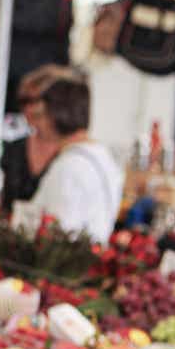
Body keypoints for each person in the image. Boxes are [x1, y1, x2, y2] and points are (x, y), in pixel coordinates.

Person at [29, 77, 124, 244]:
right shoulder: (103, 156)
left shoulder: (69, 167)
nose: (36, 124)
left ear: (56, 116)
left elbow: (57, 236)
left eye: (41, 115)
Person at [0, 64, 75, 212]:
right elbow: (3, 203)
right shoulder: (16, 148)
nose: (28, 108)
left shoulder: (70, 150)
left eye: (35, 100)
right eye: (24, 101)